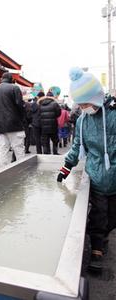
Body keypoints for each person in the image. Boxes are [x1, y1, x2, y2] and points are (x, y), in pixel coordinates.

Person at [57, 67, 116, 272]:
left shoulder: (113, 115)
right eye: (80, 104)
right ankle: (96, 249)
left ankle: (104, 235)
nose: (83, 107)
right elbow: (77, 146)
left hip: (115, 176)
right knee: (98, 215)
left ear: (97, 96)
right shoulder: (83, 121)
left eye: (86, 103)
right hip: (97, 176)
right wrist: (66, 167)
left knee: (112, 215)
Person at [0, 72, 25, 167]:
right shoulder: (14, 88)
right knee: (18, 149)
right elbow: (20, 105)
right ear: (11, 79)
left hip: (0, 124)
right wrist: (21, 118)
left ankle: (3, 170)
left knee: (3, 149)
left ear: (1, 78)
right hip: (15, 123)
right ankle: (21, 170)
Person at [38, 86, 61, 154]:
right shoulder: (55, 104)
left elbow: (39, 115)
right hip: (53, 125)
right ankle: (55, 152)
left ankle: (46, 153)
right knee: (55, 140)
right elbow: (58, 113)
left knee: (45, 141)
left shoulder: (40, 104)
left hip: (43, 126)